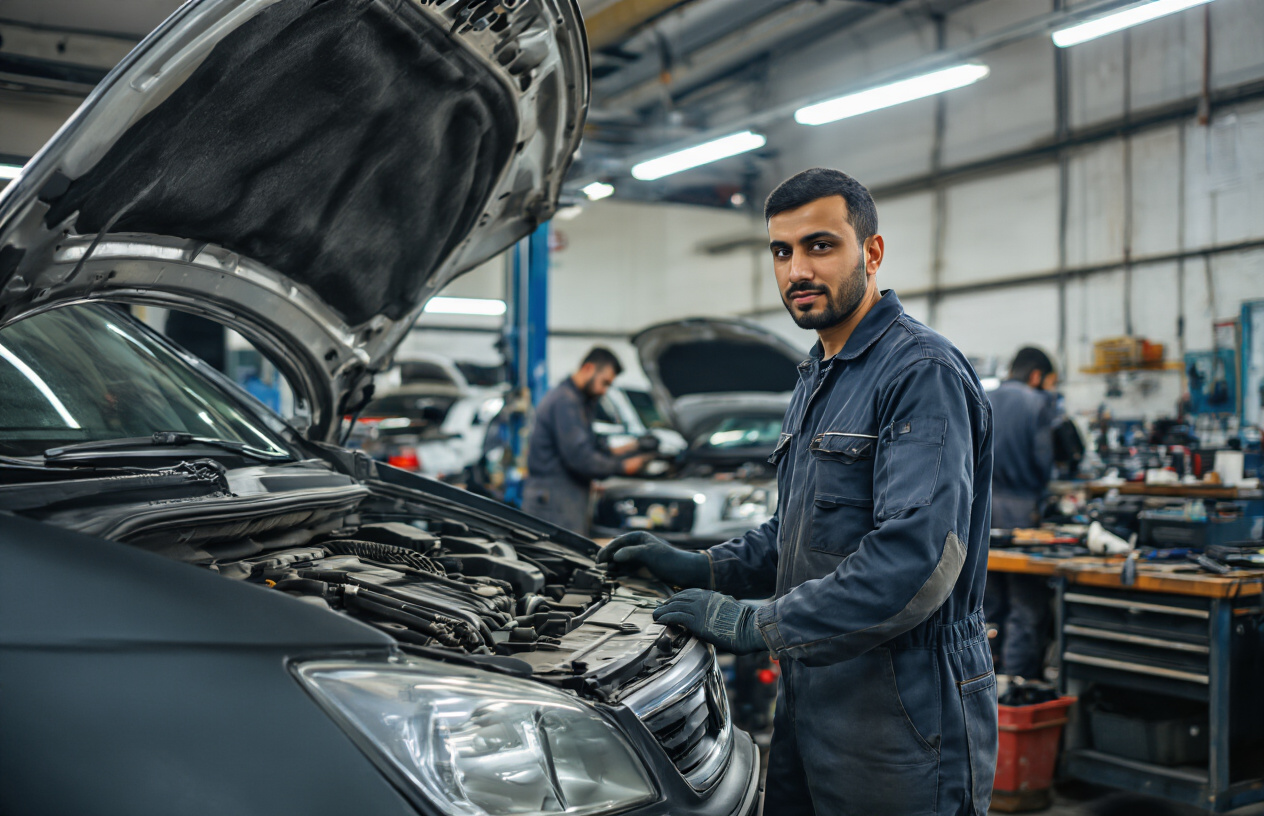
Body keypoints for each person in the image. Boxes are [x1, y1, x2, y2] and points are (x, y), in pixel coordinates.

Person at [600, 168, 997, 815]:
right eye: (782, 251)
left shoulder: (920, 373)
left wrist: (756, 620)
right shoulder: (818, 377)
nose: (796, 270)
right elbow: (799, 533)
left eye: (820, 245)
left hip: (905, 705)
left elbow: (916, 562)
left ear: (871, 252)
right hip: (815, 694)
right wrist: (704, 566)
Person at [983, 347, 1058, 680]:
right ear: (1036, 376)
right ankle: (1015, 688)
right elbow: (1044, 464)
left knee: (986, 608)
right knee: (1026, 609)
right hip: (1021, 515)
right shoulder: (1037, 403)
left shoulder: (983, 398)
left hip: (982, 515)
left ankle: (984, 685)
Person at [522, 347, 650, 533]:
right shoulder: (566, 401)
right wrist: (622, 467)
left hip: (560, 496)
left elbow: (590, 444)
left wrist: (631, 447)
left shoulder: (579, 401)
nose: (604, 390)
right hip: (554, 500)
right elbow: (581, 458)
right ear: (589, 368)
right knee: (560, 558)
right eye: (604, 382)